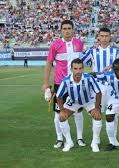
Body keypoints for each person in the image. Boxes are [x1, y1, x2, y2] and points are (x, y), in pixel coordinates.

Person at [42, 20, 85, 149]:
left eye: (69, 28)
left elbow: (82, 63)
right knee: (58, 113)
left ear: (73, 30)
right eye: (64, 28)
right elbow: (49, 63)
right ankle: (60, 139)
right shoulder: (55, 45)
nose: (67, 30)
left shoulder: (79, 43)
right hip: (60, 84)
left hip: (77, 83)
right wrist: (45, 83)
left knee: (78, 112)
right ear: (61, 30)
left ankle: (80, 138)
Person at [80, 27, 119, 146]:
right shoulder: (92, 51)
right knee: (96, 112)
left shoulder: (117, 51)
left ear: (110, 37)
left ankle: (113, 139)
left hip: (112, 87)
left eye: (106, 36)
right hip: (97, 87)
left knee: (113, 114)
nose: (104, 39)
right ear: (98, 37)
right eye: (102, 36)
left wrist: (114, 67)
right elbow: (79, 62)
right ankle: (96, 139)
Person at [56, 58, 102, 152]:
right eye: (75, 68)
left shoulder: (89, 78)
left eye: (80, 68)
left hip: (88, 101)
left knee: (97, 116)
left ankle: (94, 142)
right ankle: (69, 142)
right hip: (73, 102)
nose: (78, 71)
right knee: (61, 117)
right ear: (71, 69)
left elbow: (98, 92)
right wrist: (62, 110)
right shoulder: (66, 80)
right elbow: (59, 96)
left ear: (83, 69)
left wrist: (97, 108)